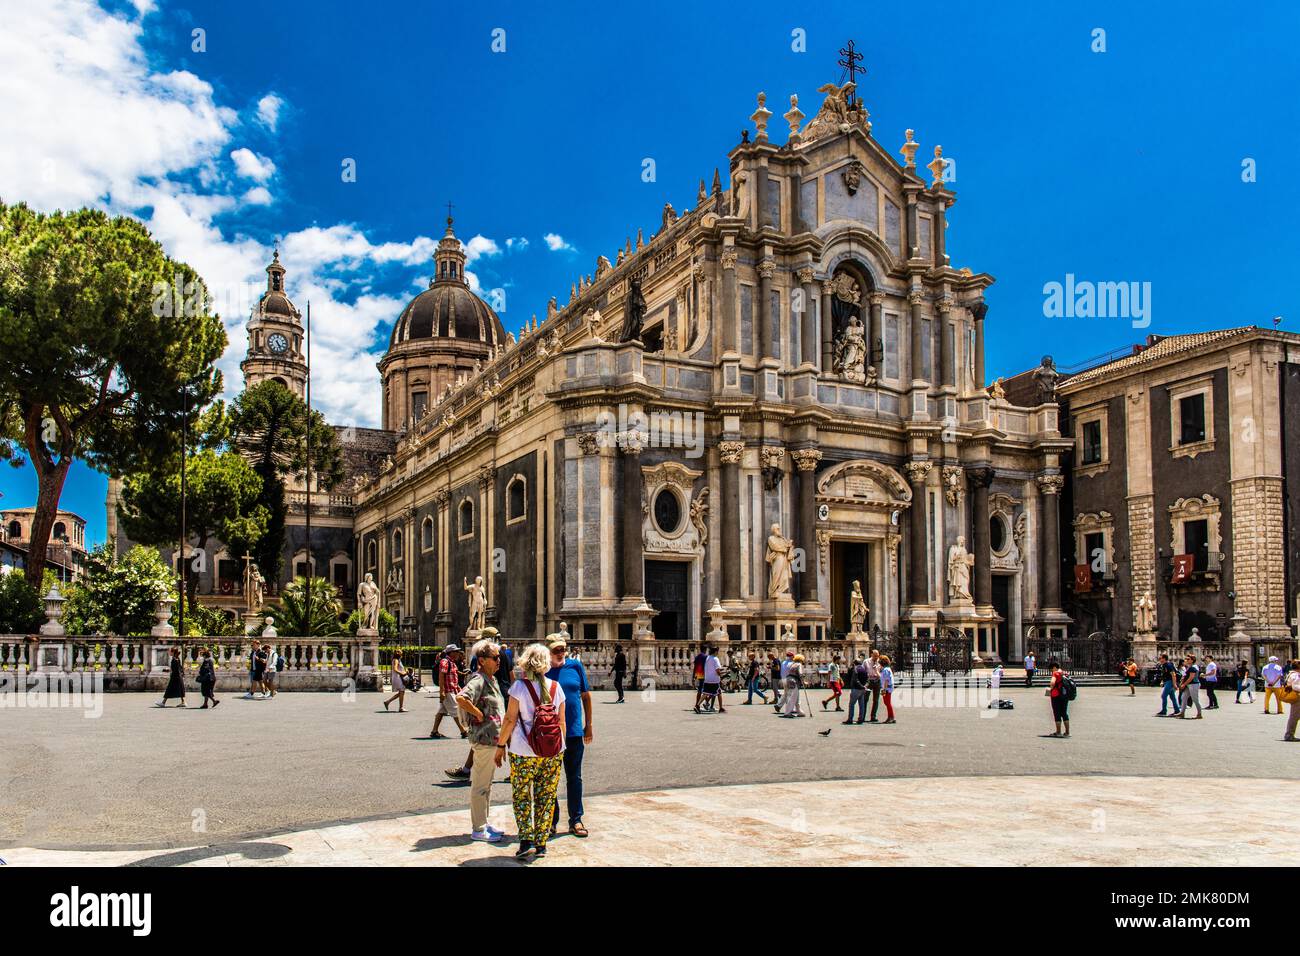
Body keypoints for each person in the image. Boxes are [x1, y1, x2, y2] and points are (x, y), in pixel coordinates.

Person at [495, 642, 566, 861]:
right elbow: (561, 722)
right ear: (546, 664)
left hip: (523, 752)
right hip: (552, 753)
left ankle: (526, 840)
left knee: (522, 795)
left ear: (526, 662)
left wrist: (500, 745)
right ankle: (541, 843)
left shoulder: (519, 687)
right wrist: (560, 748)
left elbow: (509, 719)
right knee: (546, 796)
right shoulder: (556, 687)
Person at [456, 638, 506, 842]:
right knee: (480, 785)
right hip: (484, 740)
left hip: (492, 740)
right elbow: (461, 698)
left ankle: (483, 823)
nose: (499, 660)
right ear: (482, 660)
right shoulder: (478, 680)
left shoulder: (491, 679)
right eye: (495, 657)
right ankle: (478, 829)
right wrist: (477, 713)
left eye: (499, 657)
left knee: (487, 785)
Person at [547, 635, 593, 838]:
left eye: (563, 649)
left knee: (575, 777)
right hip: (550, 732)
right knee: (551, 778)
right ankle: (551, 821)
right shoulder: (543, 670)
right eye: (556, 650)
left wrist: (588, 726)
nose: (560, 653)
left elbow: (586, 695)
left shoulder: (575, 666)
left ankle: (576, 819)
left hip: (573, 731)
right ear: (548, 651)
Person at [431, 644, 468, 739]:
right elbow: (441, 676)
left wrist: (459, 687)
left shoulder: (452, 662)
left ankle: (434, 731)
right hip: (448, 691)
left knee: (441, 711)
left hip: (452, 689)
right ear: (451, 653)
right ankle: (463, 731)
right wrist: (442, 692)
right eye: (456, 652)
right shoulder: (445, 662)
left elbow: (454, 675)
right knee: (456, 711)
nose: (458, 653)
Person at [696, 646, 725, 714]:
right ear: (715, 652)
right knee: (719, 693)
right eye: (717, 651)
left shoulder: (707, 658)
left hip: (707, 679)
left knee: (706, 693)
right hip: (714, 680)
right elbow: (717, 670)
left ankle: (697, 705)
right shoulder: (715, 659)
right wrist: (721, 674)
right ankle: (721, 708)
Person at [844, 655, 869, 725]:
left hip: (856, 689)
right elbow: (868, 679)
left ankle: (850, 719)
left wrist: (861, 686)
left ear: (854, 664)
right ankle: (861, 719)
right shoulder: (864, 669)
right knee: (861, 705)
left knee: (851, 704)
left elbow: (855, 680)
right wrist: (865, 686)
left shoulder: (855, 669)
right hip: (863, 690)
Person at [1177, 654, 1203, 719]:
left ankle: (1199, 714)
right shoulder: (1190, 667)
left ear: (1192, 660)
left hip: (1193, 684)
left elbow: (1191, 678)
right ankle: (1182, 713)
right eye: (1186, 659)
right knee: (1183, 697)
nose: (1186, 660)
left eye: (1188, 659)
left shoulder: (1193, 667)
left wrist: (1184, 684)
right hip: (1190, 684)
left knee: (1195, 699)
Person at [1048, 659, 1070, 737]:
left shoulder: (1055, 673)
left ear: (1054, 667)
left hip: (1056, 696)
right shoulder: (1064, 673)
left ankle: (1058, 732)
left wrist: (1050, 688)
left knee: (1057, 713)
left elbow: (1052, 682)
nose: (1051, 671)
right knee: (1064, 713)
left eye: (1051, 669)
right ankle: (1067, 732)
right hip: (1065, 695)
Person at [1283, 661, 1300, 742]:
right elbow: (1295, 686)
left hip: (1296, 697)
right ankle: (1289, 735)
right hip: (1297, 697)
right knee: (1294, 717)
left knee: (1294, 716)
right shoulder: (1296, 675)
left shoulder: (1291, 674)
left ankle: (1289, 734)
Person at [864, 648, 883, 722]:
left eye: (877, 656)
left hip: (877, 681)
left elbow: (882, 672)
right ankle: (862, 716)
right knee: (865, 699)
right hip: (868, 681)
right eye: (875, 656)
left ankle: (873, 716)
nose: (876, 657)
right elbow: (863, 671)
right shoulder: (866, 661)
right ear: (871, 654)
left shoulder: (880, 662)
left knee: (876, 700)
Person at [879, 654, 896, 724]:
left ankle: (891, 717)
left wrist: (884, 690)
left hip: (887, 688)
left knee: (887, 703)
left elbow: (886, 680)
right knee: (887, 703)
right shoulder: (887, 669)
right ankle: (890, 716)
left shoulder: (885, 670)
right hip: (888, 688)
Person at [691, 646, 708, 711]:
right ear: (705, 650)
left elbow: (695, 667)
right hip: (705, 674)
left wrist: (693, 677)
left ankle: (702, 703)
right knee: (705, 690)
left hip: (699, 674)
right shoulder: (706, 657)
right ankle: (699, 704)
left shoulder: (697, 657)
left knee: (701, 690)